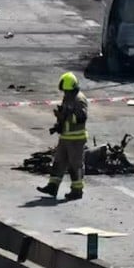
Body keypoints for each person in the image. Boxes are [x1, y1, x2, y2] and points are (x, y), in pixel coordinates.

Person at [37, 72, 89, 201]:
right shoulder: (68, 97)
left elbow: (82, 117)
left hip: (76, 139)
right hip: (65, 137)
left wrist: (65, 118)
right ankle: (52, 186)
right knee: (58, 162)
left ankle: (77, 190)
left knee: (74, 165)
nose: (64, 93)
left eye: (66, 90)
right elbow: (64, 113)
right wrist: (58, 124)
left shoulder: (79, 99)